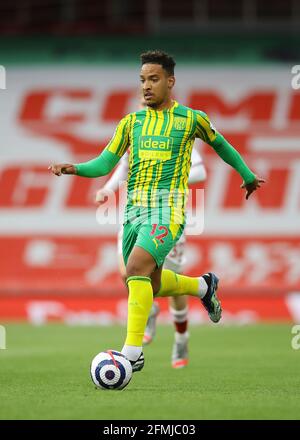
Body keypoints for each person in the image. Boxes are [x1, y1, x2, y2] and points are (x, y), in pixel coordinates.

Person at [49, 50, 265, 374]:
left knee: (135, 266)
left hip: (168, 211)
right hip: (133, 213)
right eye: (142, 80)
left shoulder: (192, 119)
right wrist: (74, 168)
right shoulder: (130, 123)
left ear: (170, 81)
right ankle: (203, 287)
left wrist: (247, 175)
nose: (146, 86)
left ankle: (131, 353)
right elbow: (106, 162)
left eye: (153, 79)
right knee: (145, 280)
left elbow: (222, 145)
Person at [95, 145, 207, 368]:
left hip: (166, 217)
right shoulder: (137, 129)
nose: (145, 108)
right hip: (134, 214)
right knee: (128, 272)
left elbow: (200, 172)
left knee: (172, 276)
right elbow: (125, 166)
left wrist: (165, 182)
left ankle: (181, 338)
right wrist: (107, 188)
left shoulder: (180, 133)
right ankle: (149, 312)